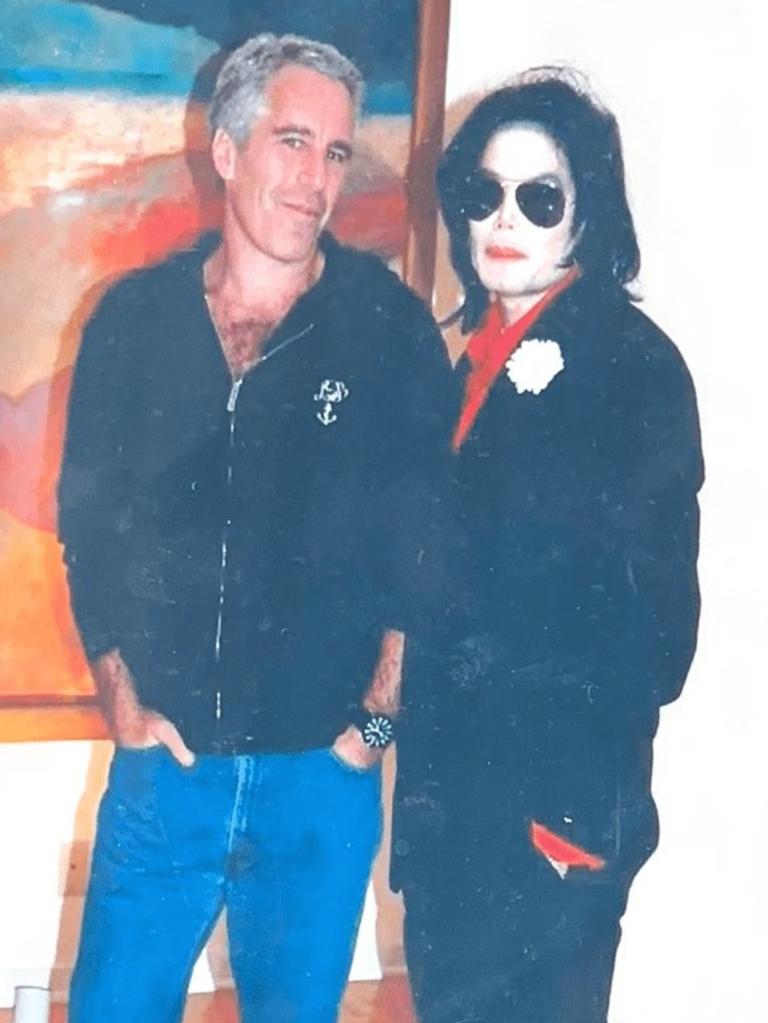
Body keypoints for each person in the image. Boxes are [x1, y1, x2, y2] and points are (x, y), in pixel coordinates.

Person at [58, 33, 453, 1023]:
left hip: (318, 783)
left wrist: (371, 728)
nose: (316, 180)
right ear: (227, 151)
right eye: (292, 142)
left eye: (335, 152)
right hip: (166, 778)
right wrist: (123, 703)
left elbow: (424, 549)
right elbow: (90, 531)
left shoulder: (389, 330)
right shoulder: (132, 324)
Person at [393, 69, 704, 1023]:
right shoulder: (470, 360)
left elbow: (657, 636)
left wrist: (563, 823)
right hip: (452, 825)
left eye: (540, 198)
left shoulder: (632, 365)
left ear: (587, 215)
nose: (504, 219)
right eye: (484, 192)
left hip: (544, 834)